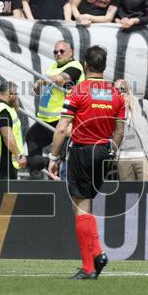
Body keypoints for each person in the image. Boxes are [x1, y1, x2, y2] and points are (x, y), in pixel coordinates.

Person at [47, 46, 125, 280]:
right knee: (85, 205)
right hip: (104, 152)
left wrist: (53, 157)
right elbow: (119, 131)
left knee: (80, 207)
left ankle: (93, 261)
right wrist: (110, 150)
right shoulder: (115, 94)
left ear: (85, 65)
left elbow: (62, 128)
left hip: (82, 151)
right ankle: (92, 262)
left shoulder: (78, 91)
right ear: (104, 65)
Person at [27, 41, 84, 175]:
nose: (58, 54)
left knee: (63, 154)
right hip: (47, 119)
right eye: (55, 51)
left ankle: (58, 173)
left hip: (63, 118)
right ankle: (40, 170)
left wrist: (43, 80)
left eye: (62, 51)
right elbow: (48, 87)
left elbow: (61, 80)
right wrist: (39, 88)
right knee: (31, 137)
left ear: (71, 53)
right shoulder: (53, 66)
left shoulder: (75, 66)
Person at [113, 80, 148, 181]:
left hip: (144, 157)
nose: (120, 92)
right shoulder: (113, 108)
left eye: (123, 89)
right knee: (128, 194)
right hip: (123, 158)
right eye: (116, 90)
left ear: (129, 89)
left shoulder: (142, 103)